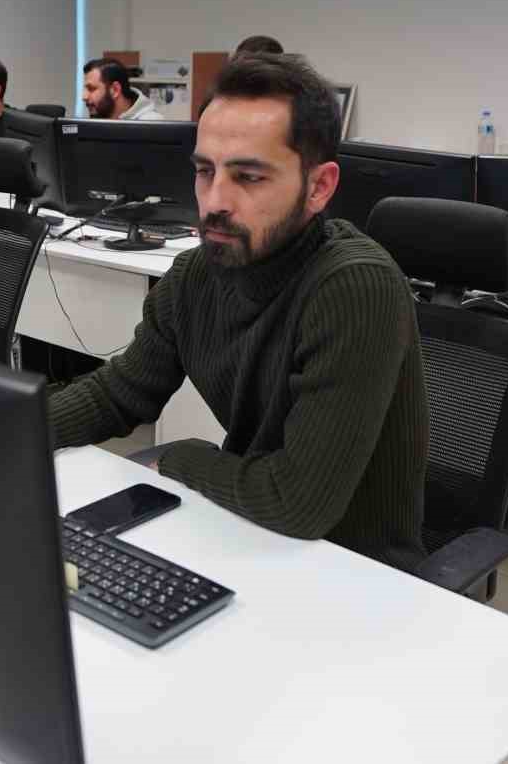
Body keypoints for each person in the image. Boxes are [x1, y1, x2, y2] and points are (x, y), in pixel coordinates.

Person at [49, 53, 428, 571]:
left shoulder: (355, 286)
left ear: (319, 187)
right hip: (244, 531)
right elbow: (119, 393)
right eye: (205, 171)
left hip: (355, 572)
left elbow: (298, 502)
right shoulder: (196, 274)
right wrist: (3, 428)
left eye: (248, 177)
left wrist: (180, 457)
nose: (214, 202)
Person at [81, 58, 164, 121]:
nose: (84, 97)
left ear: (115, 90)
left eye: (91, 89)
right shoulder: (100, 120)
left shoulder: (152, 124)